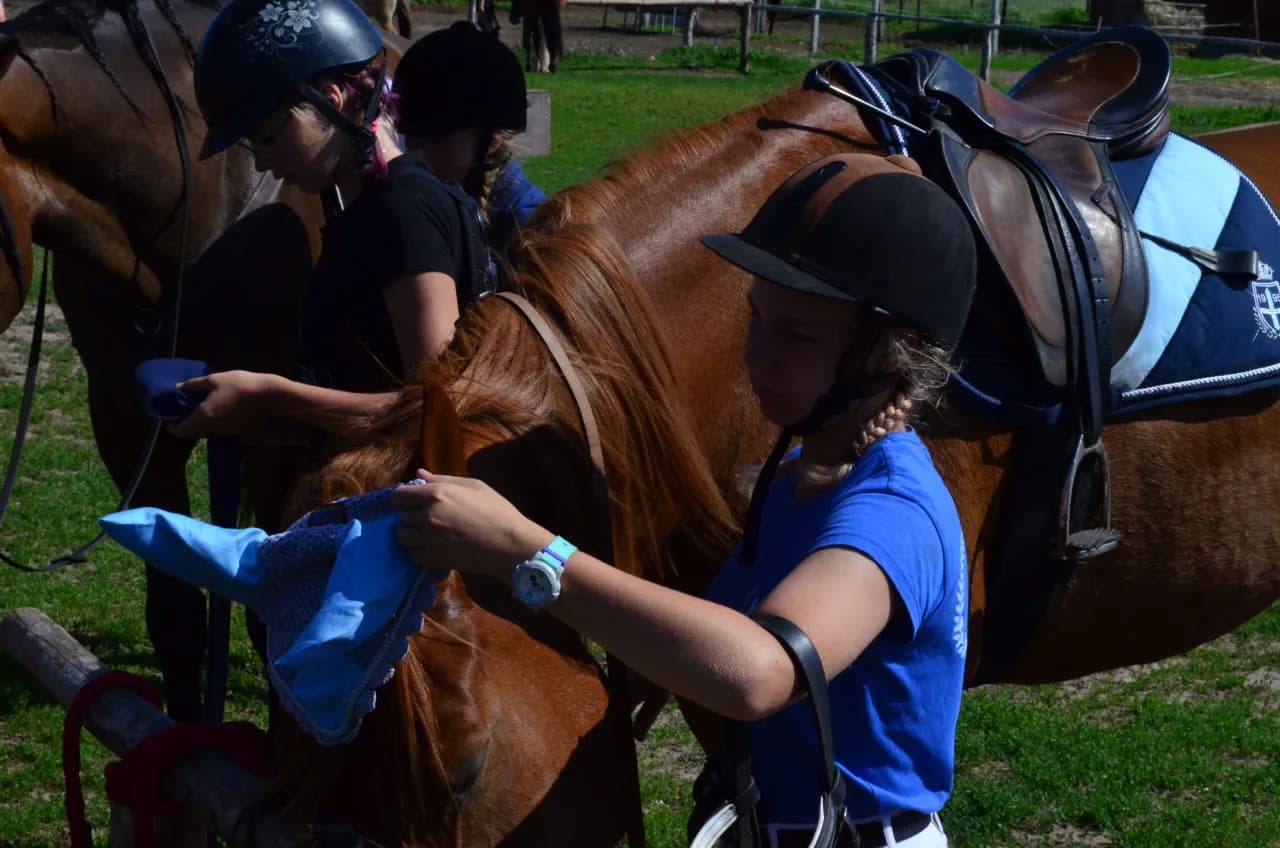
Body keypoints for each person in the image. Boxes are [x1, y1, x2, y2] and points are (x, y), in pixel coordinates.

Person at [391, 152, 977, 847]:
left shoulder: (892, 511)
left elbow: (759, 672)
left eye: (797, 335)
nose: (758, 355)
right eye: (757, 319)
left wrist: (528, 550)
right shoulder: (800, 469)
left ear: (892, 351)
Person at [170, 0, 494, 442]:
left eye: (269, 138)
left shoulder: (402, 210)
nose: (263, 163)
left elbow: (435, 408)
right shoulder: (371, 206)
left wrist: (271, 397)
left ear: (331, 101)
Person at [392, 21, 546, 260]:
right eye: (411, 135)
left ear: (491, 142)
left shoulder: (530, 228)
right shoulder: (408, 202)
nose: (418, 155)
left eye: (440, 139)